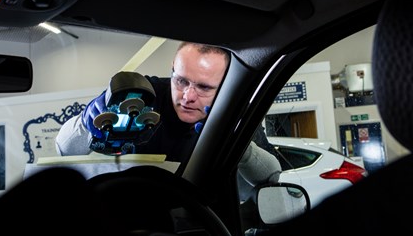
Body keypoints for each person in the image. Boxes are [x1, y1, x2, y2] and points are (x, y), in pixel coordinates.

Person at [55, 41, 281, 184]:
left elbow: (270, 177)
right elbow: (64, 150)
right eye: (181, 81)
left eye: (204, 87)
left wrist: (239, 147)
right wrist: (85, 124)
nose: (188, 96)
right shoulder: (142, 96)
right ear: (172, 69)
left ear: (225, 87)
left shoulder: (234, 112)